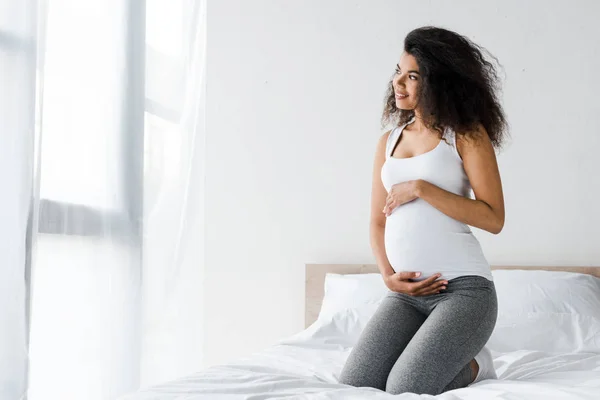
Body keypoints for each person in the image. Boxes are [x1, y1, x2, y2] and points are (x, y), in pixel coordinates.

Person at [338, 26, 507, 395]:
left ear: (438, 81)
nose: (399, 83)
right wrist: (387, 275)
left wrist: (421, 188)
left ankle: (478, 366)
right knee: (356, 383)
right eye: (398, 72)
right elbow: (377, 220)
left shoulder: (465, 135)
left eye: (412, 76)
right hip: (406, 294)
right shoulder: (389, 141)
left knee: (404, 386)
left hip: (464, 292)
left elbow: (494, 218)